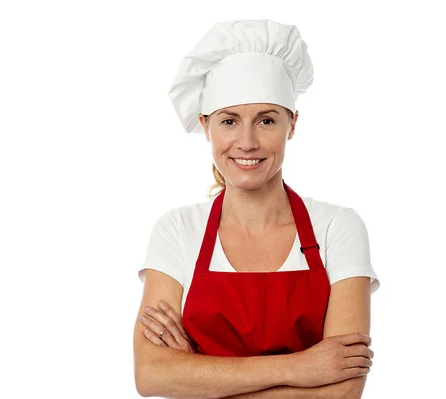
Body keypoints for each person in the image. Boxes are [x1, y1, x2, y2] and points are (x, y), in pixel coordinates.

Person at [133, 19, 380, 399]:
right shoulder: (177, 229)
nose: (246, 142)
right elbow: (151, 376)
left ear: (292, 124)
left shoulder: (338, 227)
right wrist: (301, 368)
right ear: (206, 126)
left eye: (266, 120)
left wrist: (198, 377)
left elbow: (342, 391)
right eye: (229, 121)